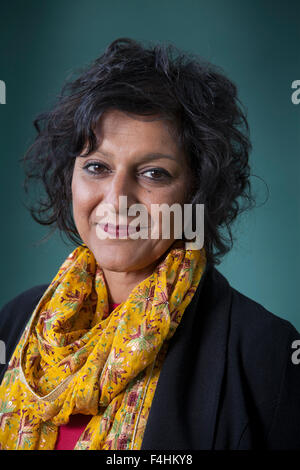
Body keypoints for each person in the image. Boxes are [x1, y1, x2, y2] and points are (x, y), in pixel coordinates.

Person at [0, 37, 299, 451]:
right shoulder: (15, 324)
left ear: (197, 191)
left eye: (154, 174)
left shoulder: (265, 353)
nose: (118, 200)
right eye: (97, 167)